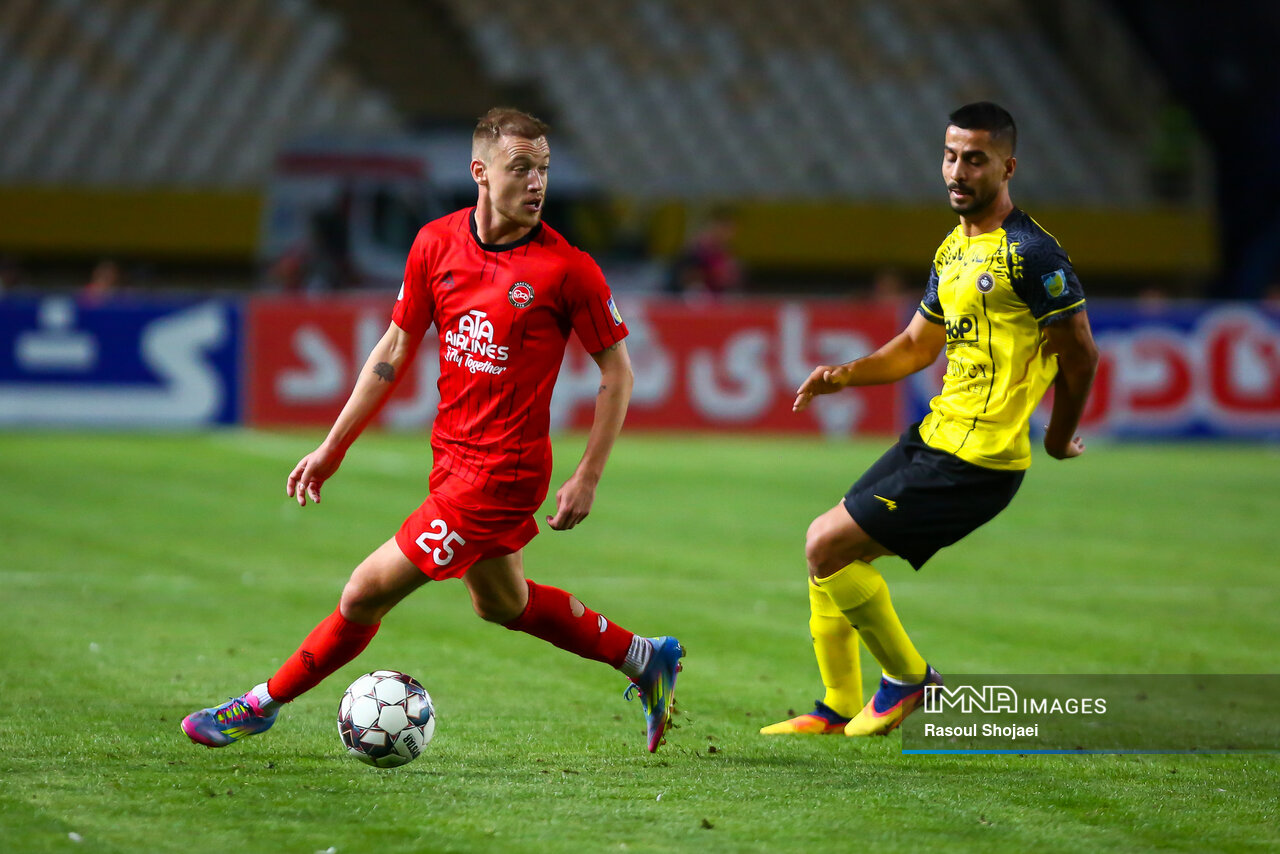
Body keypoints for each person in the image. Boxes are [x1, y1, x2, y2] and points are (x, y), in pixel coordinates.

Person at [182, 108, 684, 754]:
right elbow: (394, 348)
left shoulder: (567, 269)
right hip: (450, 459)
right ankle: (646, 658)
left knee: (363, 594)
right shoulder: (435, 244)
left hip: (499, 476)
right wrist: (333, 446)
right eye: (520, 168)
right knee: (503, 604)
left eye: (543, 169)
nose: (536, 183)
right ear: (480, 172)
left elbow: (618, 372)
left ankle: (258, 705)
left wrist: (587, 475)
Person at [761, 102, 1098, 737]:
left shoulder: (1031, 253)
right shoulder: (953, 248)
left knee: (826, 544)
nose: (957, 171)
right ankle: (835, 707)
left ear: (1007, 167)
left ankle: (911, 679)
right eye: (950, 156)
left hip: (978, 459)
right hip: (937, 438)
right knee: (827, 551)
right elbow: (917, 346)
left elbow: (1079, 352)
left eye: (975, 159)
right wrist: (846, 375)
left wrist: (1056, 438)